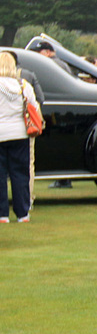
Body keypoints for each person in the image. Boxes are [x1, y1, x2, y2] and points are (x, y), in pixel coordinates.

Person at [0, 51, 39, 223]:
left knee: (0, 175)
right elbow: (34, 107)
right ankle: (22, 213)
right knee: (20, 173)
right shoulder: (23, 85)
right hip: (19, 133)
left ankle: (2, 214)